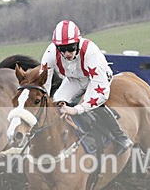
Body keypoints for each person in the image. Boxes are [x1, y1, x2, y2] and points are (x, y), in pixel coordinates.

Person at [42, 19, 134, 155]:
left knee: (90, 104)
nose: (67, 53)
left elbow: (100, 94)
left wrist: (76, 110)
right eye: (62, 49)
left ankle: (121, 137)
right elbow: (44, 82)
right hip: (74, 79)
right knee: (56, 104)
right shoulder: (50, 52)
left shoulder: (90, 52)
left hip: (96, 78)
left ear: (78, 43)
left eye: (71, 48)